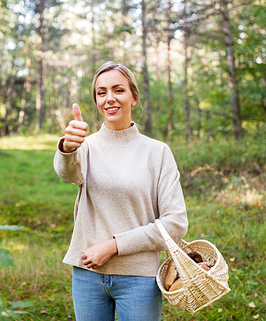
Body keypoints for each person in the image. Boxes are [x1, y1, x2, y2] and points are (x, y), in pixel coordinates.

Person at [53, 61, 188, 321]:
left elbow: (175, 224)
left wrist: (114, 245)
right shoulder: (86, 147)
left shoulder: (157, 152)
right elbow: (68, 173)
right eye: (101, 92)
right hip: (87, 276)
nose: (109, 98)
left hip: (140, 279)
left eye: (118, 90)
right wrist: (68, 148)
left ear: (134, 97)